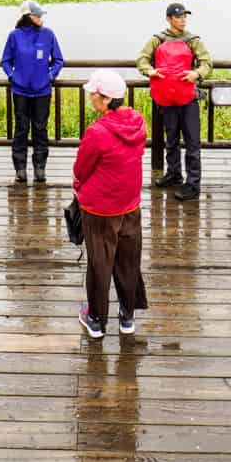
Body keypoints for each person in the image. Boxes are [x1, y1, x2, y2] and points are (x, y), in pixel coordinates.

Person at [73, 69, 148, 338]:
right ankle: (127, 317)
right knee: (129, 261)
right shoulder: (138, 122)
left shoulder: (98, 132)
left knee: (100, 263)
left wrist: (79, 187)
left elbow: (81, 169)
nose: (91, 97)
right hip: (130, 204)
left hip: (100, 210)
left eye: (94, 93)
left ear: (105, 99)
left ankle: (95, 319)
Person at [136, 2, 212, 201]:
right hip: (167, 99)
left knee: (192, 143)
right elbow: (141, 60)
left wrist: (197, 73)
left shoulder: (193, 40)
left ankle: (193, 184)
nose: (183, 20)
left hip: (188, 99)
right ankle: (174, 174)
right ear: (169, 19)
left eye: (185, 17)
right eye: (179, 17)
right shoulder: (157, 39)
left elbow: (207, 63)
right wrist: (149, 71)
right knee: (171, 140)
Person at [1, 1, 64, 185]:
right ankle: (20, 169)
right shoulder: (15, 36)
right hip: (20, 91)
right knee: (21, 129)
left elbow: (59, 60)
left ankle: (40, 168)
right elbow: (5, 61)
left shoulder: (48, 35)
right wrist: (13, 76)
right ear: (28, 16)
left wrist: (50, 76)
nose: (41, 18)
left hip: (42, 91)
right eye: (37, 15)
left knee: (40, 129)